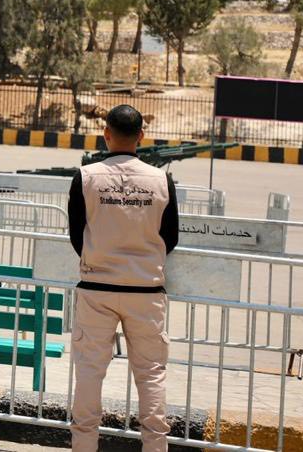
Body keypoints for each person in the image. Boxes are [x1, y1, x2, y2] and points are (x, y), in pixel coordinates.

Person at [68, 104, 179, 452]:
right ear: (141, 136)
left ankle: (83, 446)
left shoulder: (86, 177)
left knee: (89, 373)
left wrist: (101, 257)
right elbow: (171, 236)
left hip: (96, 288)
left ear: (106, 134)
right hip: (146, 290)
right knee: (151, 375)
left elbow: (76, 234)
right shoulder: (161, 180)